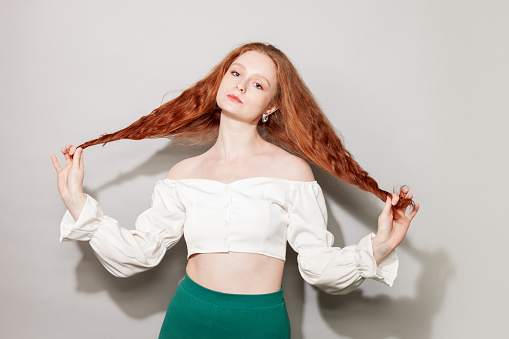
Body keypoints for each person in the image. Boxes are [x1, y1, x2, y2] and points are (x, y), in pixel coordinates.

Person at [51, 42, 419, 338]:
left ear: (271, 106)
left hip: (259, 323)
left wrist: (381, 246)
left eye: (258, 83)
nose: (241, 85)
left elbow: (319, 267)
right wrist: (78, 202)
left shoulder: (292, 172)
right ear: (222, 81)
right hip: (187, 319)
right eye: (236, 73)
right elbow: (138, 253)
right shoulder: (183, 174)